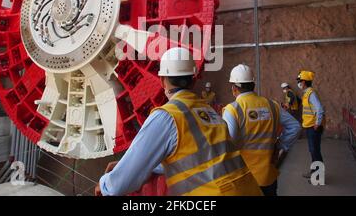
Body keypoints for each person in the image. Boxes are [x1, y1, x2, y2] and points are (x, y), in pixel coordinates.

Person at [96, 48, 263, 196]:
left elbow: (120, 184)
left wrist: (104, 185)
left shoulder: (166, 117)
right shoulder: (210, 112)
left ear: (162, 81)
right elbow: (196, 159)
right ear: (192, 79)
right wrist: (148, 164)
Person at [223, 65, 301, 196]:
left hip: (244, 178)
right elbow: (295, 127)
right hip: (268, 177)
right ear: (253, 85)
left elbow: (228, 145)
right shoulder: (271, 105)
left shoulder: (232, 110)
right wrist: (280, 145)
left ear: (234, 88)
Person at [297, 71, 326, 179]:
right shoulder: (307, 93)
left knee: (315, 151)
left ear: (303, 82)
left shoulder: (311, 93)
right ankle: (314, 172)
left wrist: (317, 124)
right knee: (313, 151)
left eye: (299, 81)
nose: (298, 83)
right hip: (310, 127)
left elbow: (319, 109)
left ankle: (318, 176)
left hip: (313, 128)